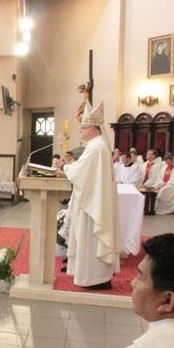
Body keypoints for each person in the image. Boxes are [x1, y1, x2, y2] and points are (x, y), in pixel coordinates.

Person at [59, 101, 120, 289]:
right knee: (90, 240)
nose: (80, 132)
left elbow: (80, 172)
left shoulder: (96, 147)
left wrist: (64, 167)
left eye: (83, 128)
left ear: (92, 129)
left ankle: (94, 278)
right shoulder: (99, 145)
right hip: (93, 200)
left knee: (91, 238)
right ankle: (96, 275)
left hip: (93, 205)